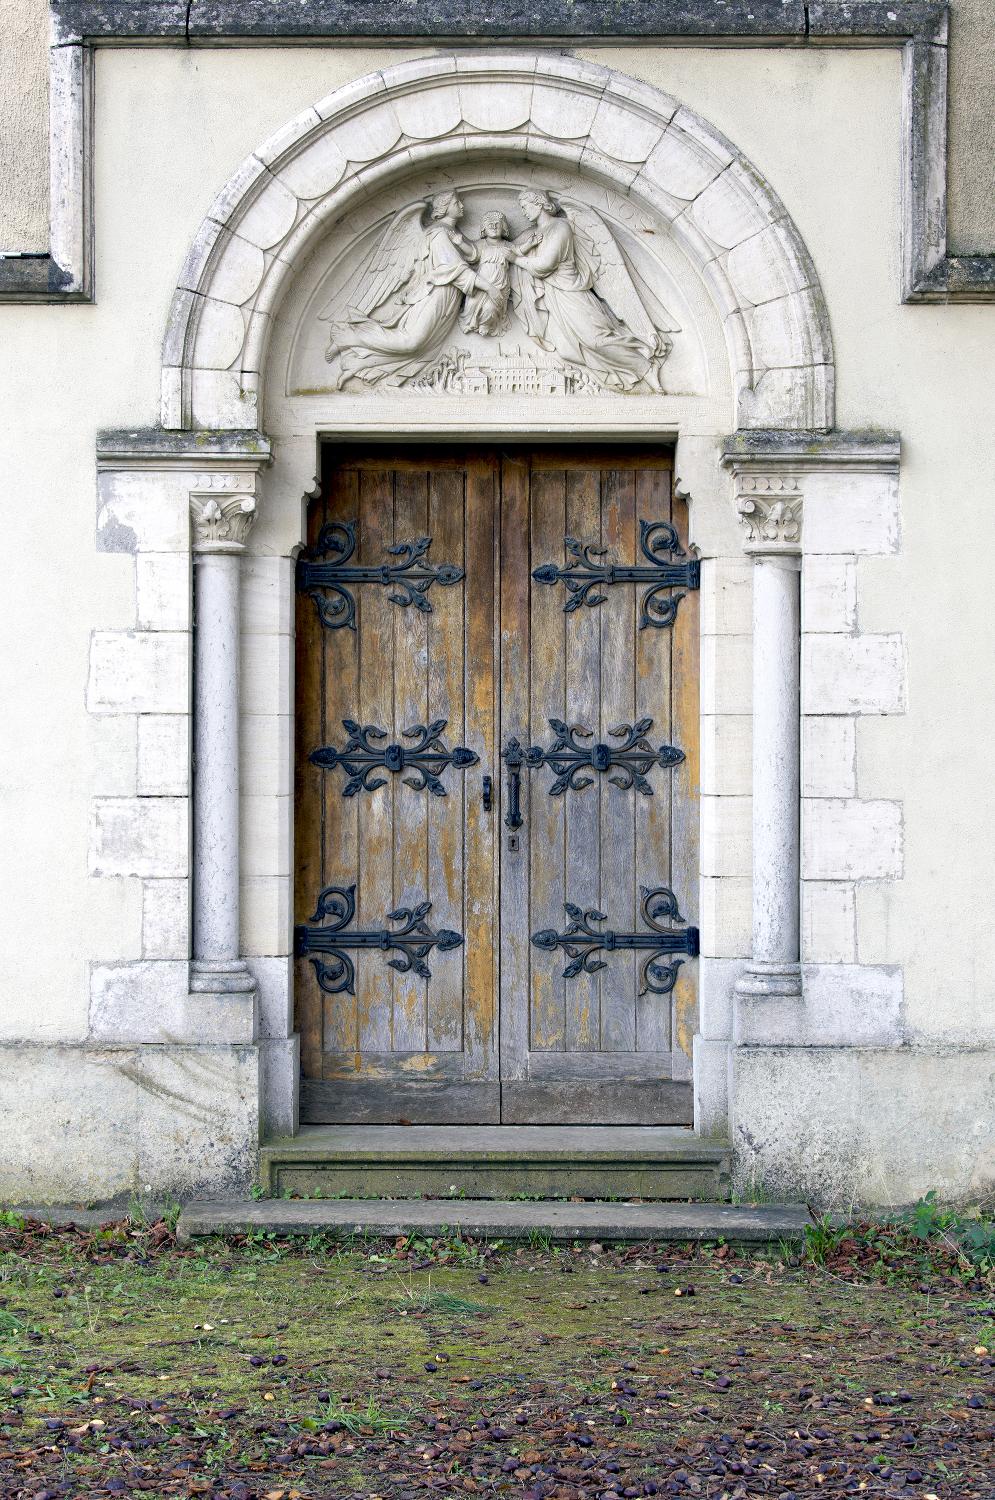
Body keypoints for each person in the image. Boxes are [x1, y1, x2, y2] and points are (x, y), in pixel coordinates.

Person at [509, 188, 662, 392]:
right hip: (554, 295)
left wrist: (516, 259)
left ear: (538, 203)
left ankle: (645, 367)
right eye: (521, 207)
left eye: (526, 206)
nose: (523, 211)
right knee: (566, 350)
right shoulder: (535, 233)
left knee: (595, 340)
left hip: (571, 292)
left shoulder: (560, 227)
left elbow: (546, 264)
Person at [325, 192, 482, 388]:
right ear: (444, 207)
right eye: (455, 202)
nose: (461, 205)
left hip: (449, 296)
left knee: (422, 351)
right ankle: (350, 335)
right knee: (411, 343)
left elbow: (474, 255)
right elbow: (454, 268)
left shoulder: (451, 233)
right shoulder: (438, 233)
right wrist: (489, 288)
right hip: (436, 293)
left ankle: (360, 363)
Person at [459, 211, 515, 336]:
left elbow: (518, 252)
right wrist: (460, 243)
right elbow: (472, 254)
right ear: (484, 228)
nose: (494, 227)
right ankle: (470, 322)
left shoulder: (507, 245)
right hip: (481, 282)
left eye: (497, 224)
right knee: (472, 304)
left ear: (504, 227)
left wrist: (529, 244)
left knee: (491, 307)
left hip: (499, 284)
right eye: (490, 225)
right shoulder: (481, 244)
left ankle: (485, 324)